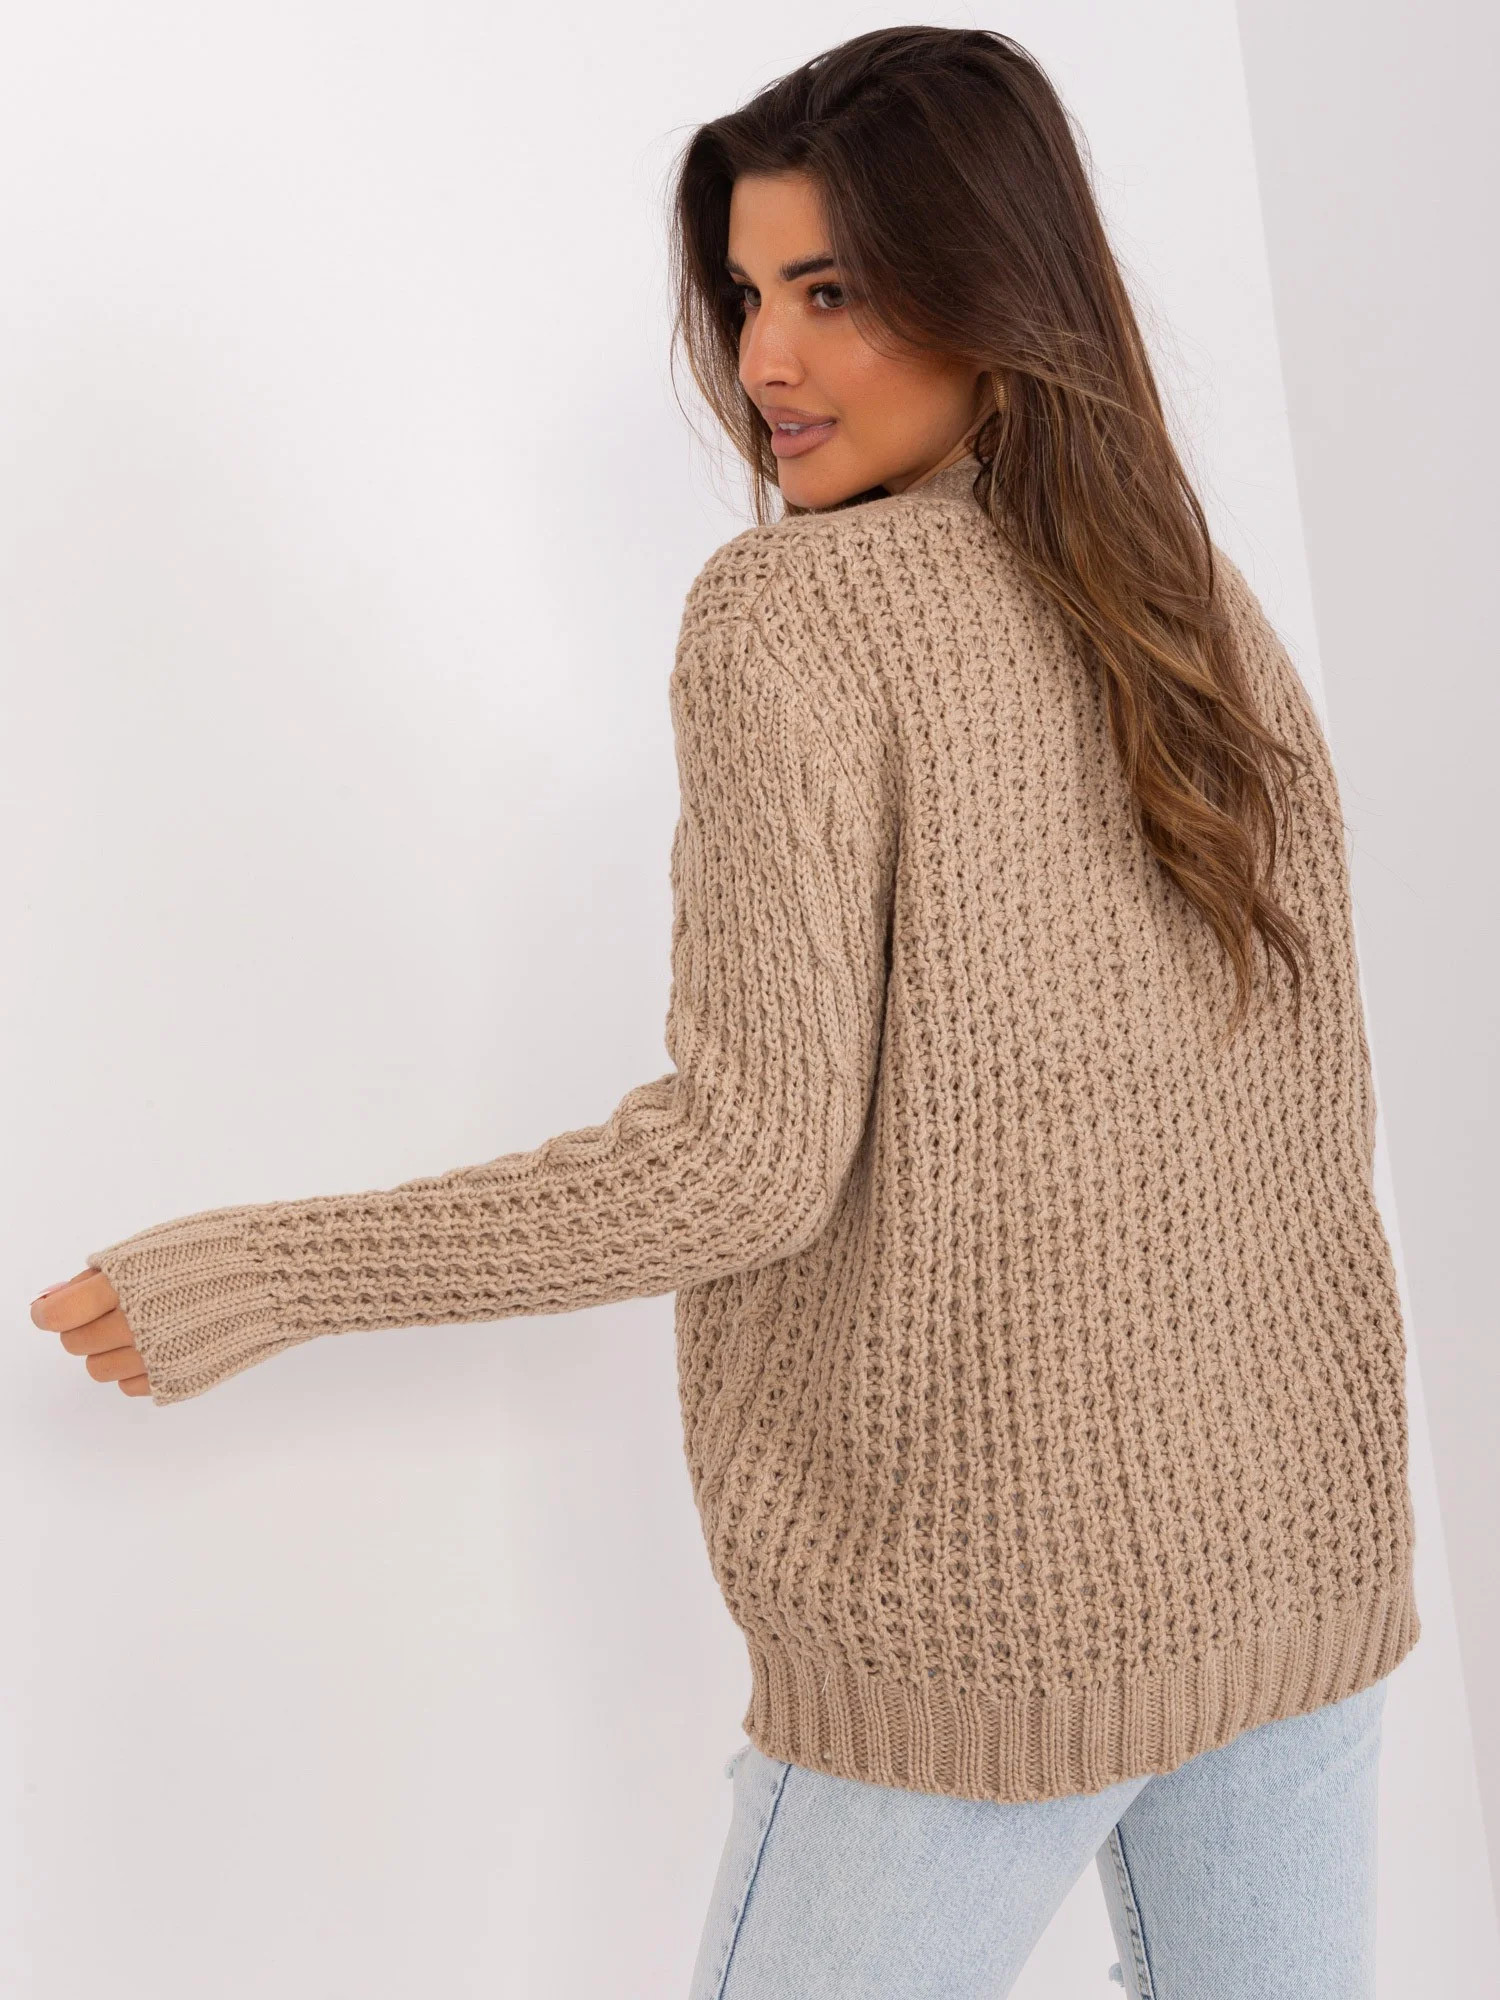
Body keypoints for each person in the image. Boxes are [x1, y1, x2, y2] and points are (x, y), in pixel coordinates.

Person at [29, 25, 1419, 1999]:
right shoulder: (1183, 586)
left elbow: (744, 1164)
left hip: (984, 1630)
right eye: (751, 293)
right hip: (1303, 1562)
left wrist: (267, 1271)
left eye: (833, 293)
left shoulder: (796, 615)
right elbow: (1310, 1084)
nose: (767, 358)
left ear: (990, 283)